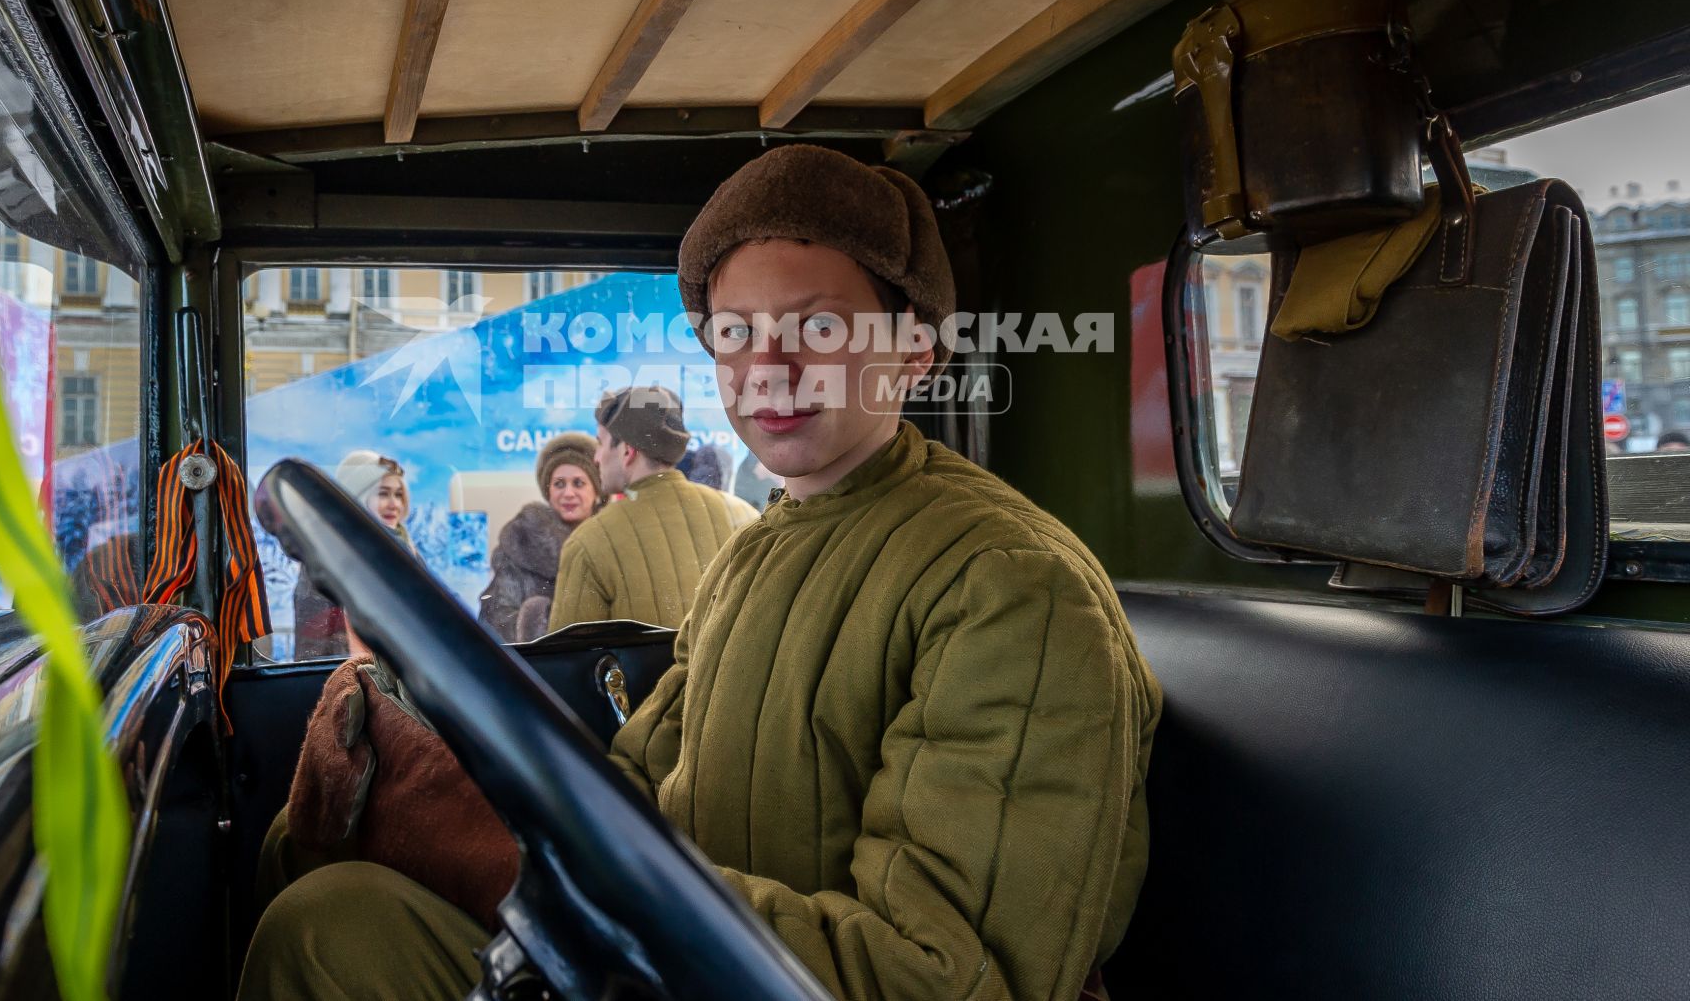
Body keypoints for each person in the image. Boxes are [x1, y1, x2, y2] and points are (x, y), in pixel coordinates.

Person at [239, 144, 1161, 1001]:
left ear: (914, 350)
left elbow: (943, 978)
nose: (768, 367)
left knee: (323, 938)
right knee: (332, 907)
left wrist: (501, 858)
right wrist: (480, 794)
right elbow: (642, 793)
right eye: (734, 332)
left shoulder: (1009, 587)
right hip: (672, 967)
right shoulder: (751, 552)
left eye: (820, 326)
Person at [546, 386, 757, 632]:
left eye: (600, 443)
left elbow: (568, 661)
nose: (596, 457)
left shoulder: (587, 542)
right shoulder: (745, 517)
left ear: (627, 451)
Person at [476, 432, 601, 642]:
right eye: (559, 484)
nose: (568, 493)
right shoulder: (521, 542)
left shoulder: (613, 540)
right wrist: (537, 627)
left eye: (578, 483)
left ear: (597, 490)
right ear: (548, 490)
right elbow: (493, 616)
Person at [295, 451, 417, 656]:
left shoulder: (407, 553)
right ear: (358, 497)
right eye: (383, 493)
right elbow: (315, 648)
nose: (394, 504)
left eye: (398, 494)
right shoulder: (326, 559)